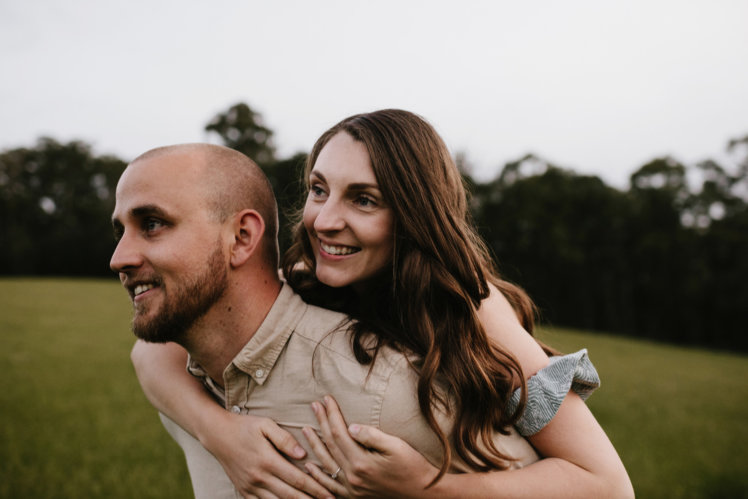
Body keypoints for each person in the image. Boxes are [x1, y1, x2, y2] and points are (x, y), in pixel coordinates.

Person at [132, 111, 634, 498]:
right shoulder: (309, 278)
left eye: (364, 200)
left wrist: (426, 488)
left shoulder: (472, 306)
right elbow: (152, 352)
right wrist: (222, 434)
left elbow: (608, 485)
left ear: (413, 215)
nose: (324, 220)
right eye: (318, 189)